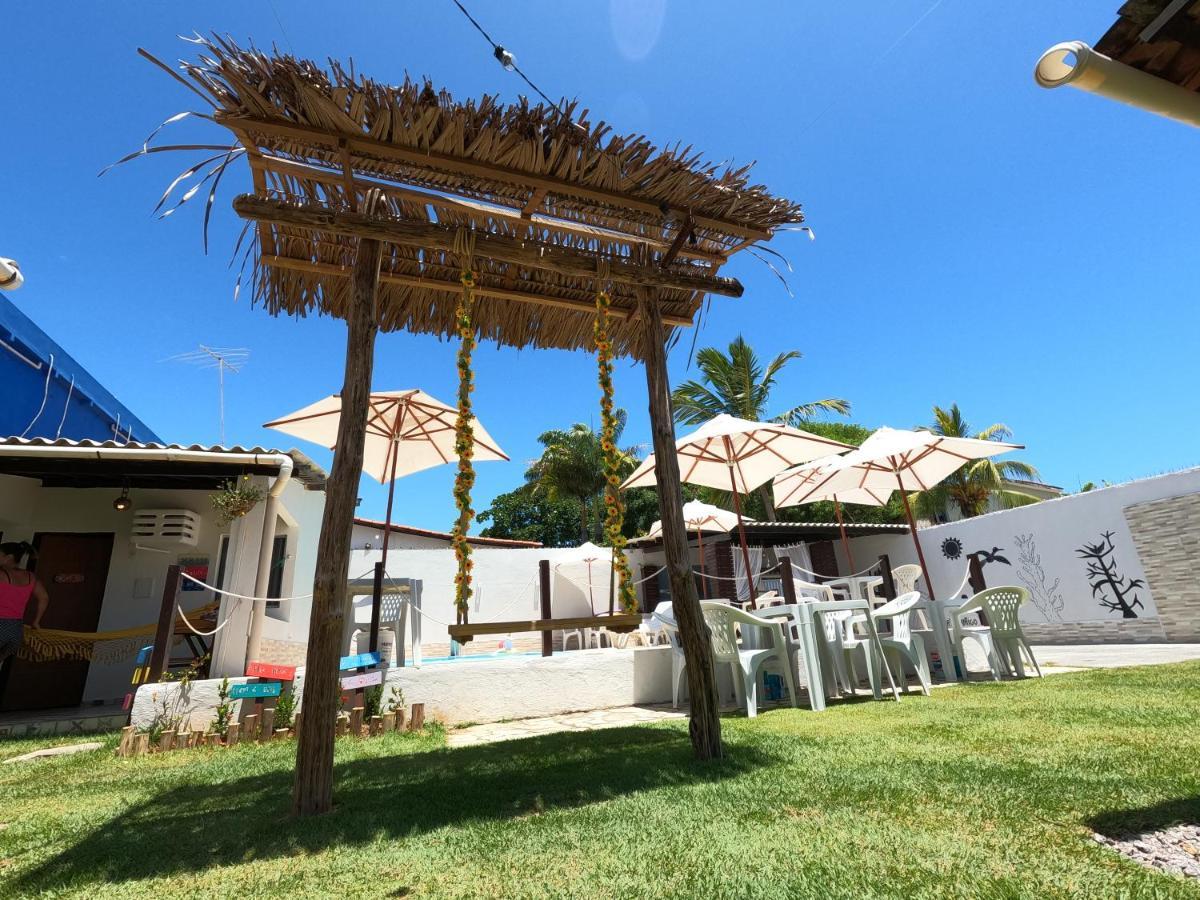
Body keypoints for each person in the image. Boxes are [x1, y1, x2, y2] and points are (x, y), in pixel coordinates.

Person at [0, 541, 49, 668]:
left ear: (9, 557)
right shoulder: (31, 577)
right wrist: (36, 622)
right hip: (16, 631)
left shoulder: (1, 574)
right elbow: (44, 597)